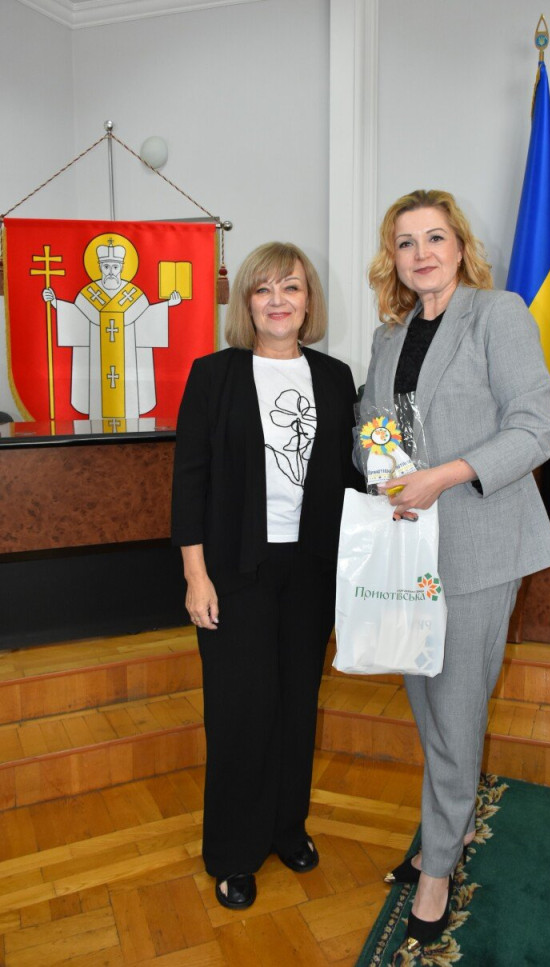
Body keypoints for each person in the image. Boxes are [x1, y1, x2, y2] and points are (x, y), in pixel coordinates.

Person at [358, 189, 550, 949]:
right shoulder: (389, 336)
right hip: (409, 545)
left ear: (460, 246)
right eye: (406, 242)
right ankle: (453, 820)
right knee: (427, 701)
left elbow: (532, 429)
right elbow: (372, 425)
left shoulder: (497, 314)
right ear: (393, 258)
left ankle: (438, 864)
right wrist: (380, 469)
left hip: (480, 540)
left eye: (435, 237)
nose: (422, 254)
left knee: (456, 706)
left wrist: (442, 476)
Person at [171, 241, 361, 911]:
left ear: (309, 301)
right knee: (241, 711)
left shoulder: (335, 377)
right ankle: (233, 850)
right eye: (263, 289)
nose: (278, 300)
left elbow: (351, 474)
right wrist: (196, 575)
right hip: (235, 569)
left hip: (310, 570)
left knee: (296, 702)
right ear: (246, 303)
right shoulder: (214, 374)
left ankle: (286, 826)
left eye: (292, 287)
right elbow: (189, 482)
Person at [43, 235, 181, 419]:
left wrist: (168, 305)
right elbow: (76, 317)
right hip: (96, 361)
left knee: (129, 407)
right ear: (99, 267)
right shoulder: (89, 293)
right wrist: (56, 303)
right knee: (97, 402)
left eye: (115, 267)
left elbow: (146, 316)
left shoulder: (133, 294)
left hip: (129, 361)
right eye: (106, 266)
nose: (110, 271)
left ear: (122, 268)